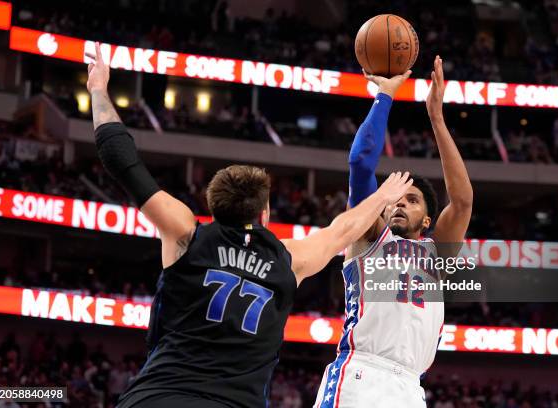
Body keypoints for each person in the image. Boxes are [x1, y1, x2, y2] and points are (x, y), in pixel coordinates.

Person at [85, 42, 414, 408]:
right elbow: (344, 228)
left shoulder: (187, 234)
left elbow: (120, 159)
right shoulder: (288, 258)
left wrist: (98, 89)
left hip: (160, 396)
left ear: (213, 206)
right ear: (265, 214)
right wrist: (383, 195)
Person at [315, 56, 473, 407]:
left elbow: (462, 201)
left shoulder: (438, 254)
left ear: (428, 220)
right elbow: (359, 163)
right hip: (361, 375)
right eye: (395, 199)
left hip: (410, 388)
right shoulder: (370, 236)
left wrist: (437, 118)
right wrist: (384, 96)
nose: (400, 204)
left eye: (412, 200)